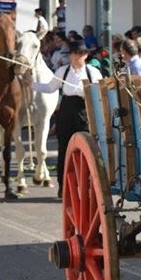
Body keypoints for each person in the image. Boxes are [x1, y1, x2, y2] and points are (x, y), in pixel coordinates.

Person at [28, 41, 102, 198]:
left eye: (81, 54)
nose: (77, 57)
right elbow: (50, 88)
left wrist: (87, 92)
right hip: (66, 112)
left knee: (86, 151)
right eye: (75, 54)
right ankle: (63, 187)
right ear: (70, 55)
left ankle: (86, 186)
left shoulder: (93, 72)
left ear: (86, 55)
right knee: (64, 150)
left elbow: (99, 94)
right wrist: (31, 85)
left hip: (85, 112)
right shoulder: (63, 71)